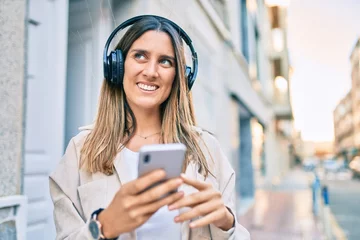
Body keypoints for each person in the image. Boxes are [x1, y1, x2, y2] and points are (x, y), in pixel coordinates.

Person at [49, 15, 250, 240]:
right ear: (117, 65)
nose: (151, 71)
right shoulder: (80, 151)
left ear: (180, 76)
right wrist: (102, 227)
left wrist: (226, 222)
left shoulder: (206, 150)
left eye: (165, 61)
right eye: (140, 56)